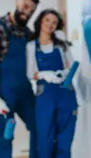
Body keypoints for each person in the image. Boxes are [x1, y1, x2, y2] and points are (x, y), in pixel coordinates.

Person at [0, 0, 40, 158]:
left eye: (32, 10)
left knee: (38, 125)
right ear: (17, 3)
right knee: (6, 133)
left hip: (25, 91)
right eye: (25, 6)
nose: (27, 12)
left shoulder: (27, 32)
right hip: (3, 92)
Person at [26, 9, 78, 158]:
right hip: (45, 93)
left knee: (65, 137)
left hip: (65, 91)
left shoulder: (62, 45)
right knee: (44, 137)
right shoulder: (31, 46)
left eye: (54, 22)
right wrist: (44, 74)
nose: (50, 24)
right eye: (47, 20)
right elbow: (30, 73)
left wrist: (63, 74)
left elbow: (72, 65)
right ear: (41, 21)